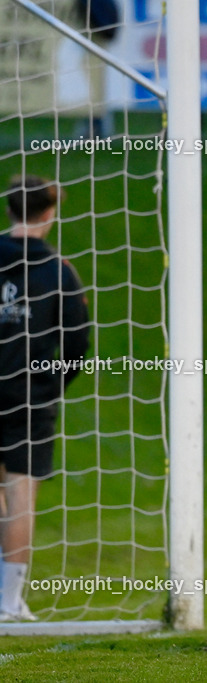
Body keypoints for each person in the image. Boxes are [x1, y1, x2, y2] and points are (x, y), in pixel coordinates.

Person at [0, 175, 89, 621]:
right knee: (19, 496)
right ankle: (9, 602)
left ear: (11, 210)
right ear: (50, 214)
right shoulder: (60, 271)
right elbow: (76, 346)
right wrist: (49, 387)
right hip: (28, 399)